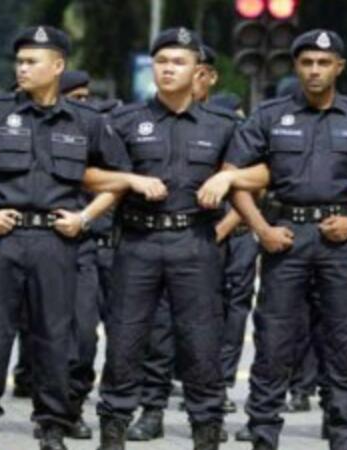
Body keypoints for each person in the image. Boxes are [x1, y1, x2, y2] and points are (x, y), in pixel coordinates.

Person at [0, 25, 160, 450]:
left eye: (31, 61)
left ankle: (52, 425)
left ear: (57, 66)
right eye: (19, 61)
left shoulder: (87, 120)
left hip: (58, 241)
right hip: (1, 237)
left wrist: (85, 218)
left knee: (56, 337)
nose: (21, 68)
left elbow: (118, 178)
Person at [198, 28, 347, 450]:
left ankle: (345, 437)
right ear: (295, 66)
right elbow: (233, 176)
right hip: (285, 238)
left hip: (339, 240)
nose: (314, 70)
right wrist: (261, 230)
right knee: (274, 341)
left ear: (339, 67)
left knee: (344, 343)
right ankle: (263, 435)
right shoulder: (270, 115)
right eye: (307, 62)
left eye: (323, 63)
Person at [95, 27, 245, 450]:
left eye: (179, 62)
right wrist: (129, 180)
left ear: (198, 71)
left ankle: (206, 431)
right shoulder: (125, 121)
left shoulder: (222, 125)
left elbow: (260, 175)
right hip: (138, 242)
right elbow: (89, 175)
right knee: (125, 340)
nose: (168, 69)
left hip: (195, 241)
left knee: (201, 342)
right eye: (161, 61)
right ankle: (113, 431)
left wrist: (227, 177)